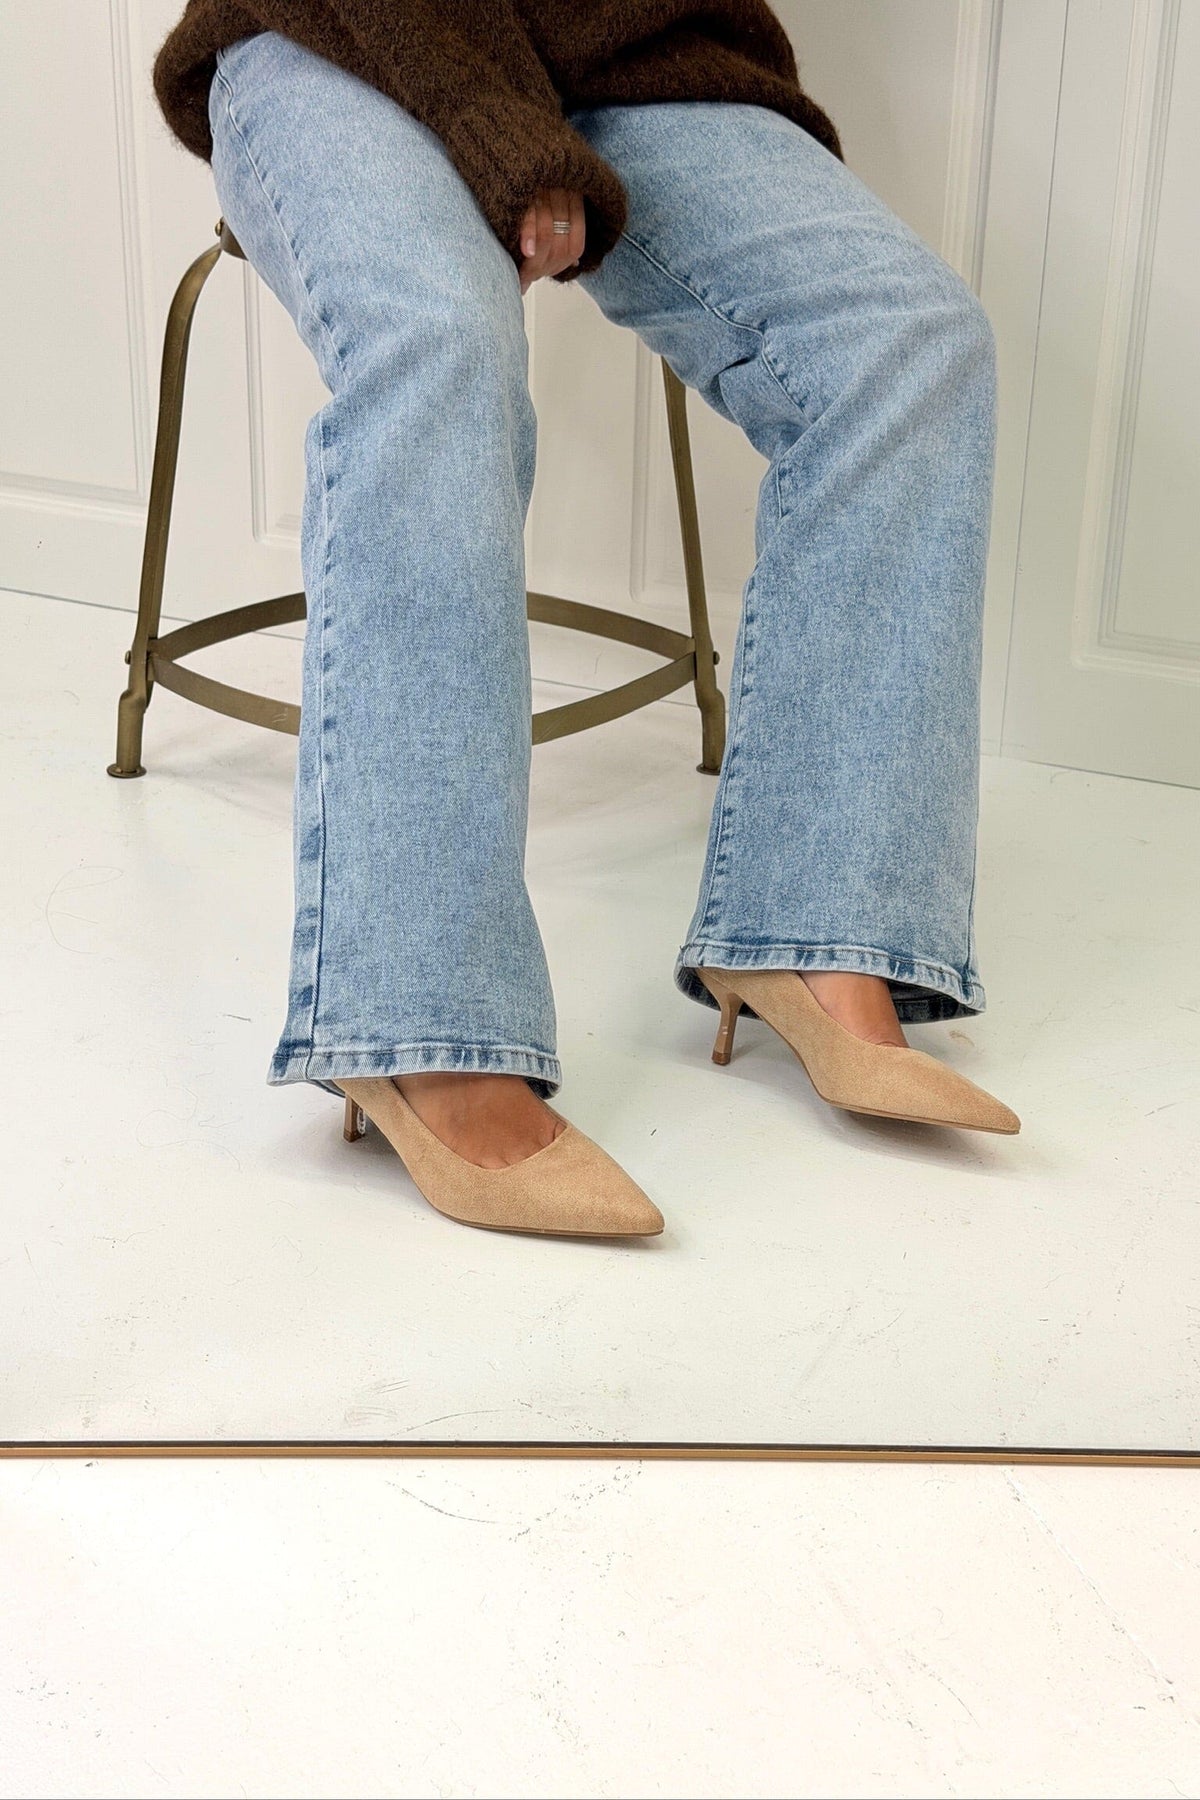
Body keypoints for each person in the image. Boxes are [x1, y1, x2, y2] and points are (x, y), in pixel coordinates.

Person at [150, 3, 1020, 1240]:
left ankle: (817, 926)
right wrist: (504, 133)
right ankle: (420, 1026)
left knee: (909, 342)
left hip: (623, 44)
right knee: (440, 344)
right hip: (344, 32)